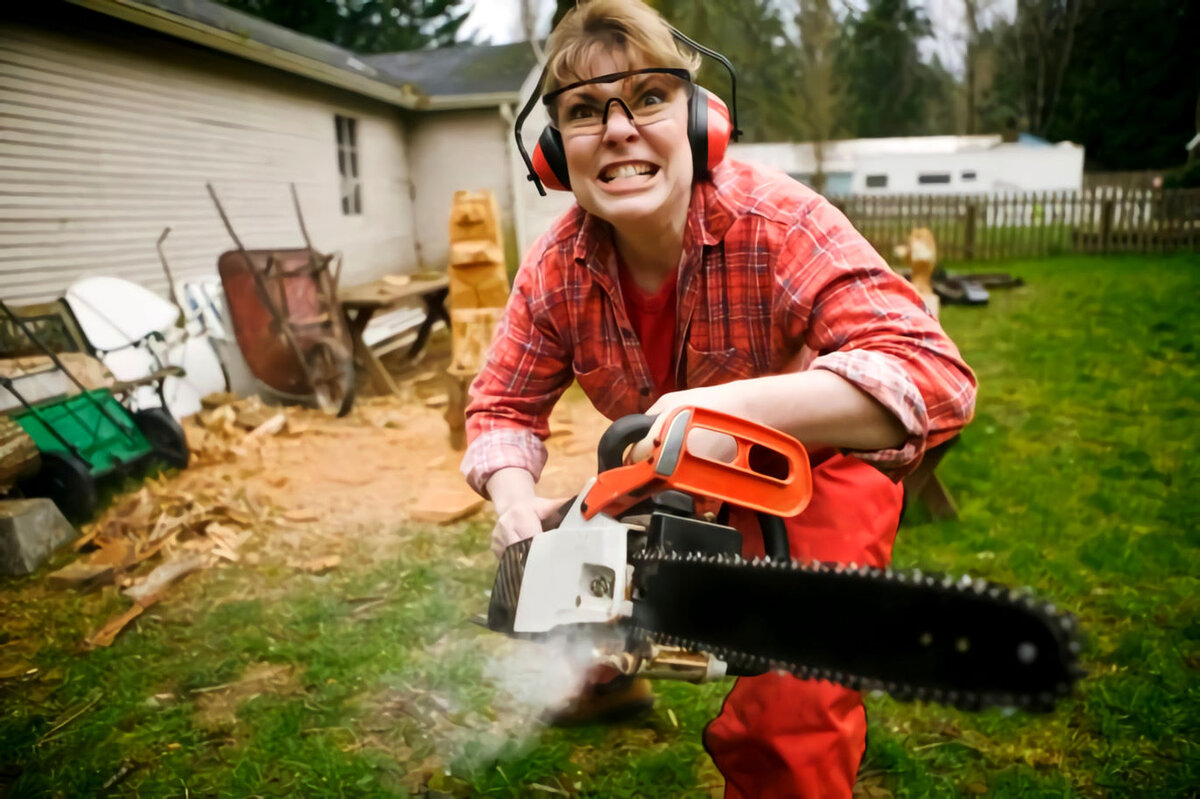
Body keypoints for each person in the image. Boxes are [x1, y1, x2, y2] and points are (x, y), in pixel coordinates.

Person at [461, 1, 977, 795]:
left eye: (650, 98)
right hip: (675, 466)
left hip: (819, 466)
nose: (620, 128)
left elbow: (933, 375)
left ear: (703, 120)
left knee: (790, 712)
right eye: (585, 110)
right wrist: (515, 500)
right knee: (569, 565)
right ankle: (607, 667)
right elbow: (501, 406)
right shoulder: (556, 266)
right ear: (556, 152)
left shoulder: (776, 220)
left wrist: (731, 410)